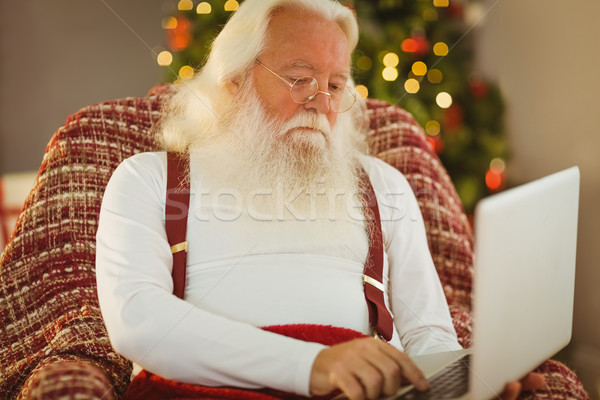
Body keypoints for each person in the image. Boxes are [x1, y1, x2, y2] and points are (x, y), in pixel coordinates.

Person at [96, 0, 544, 399]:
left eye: (335, 85)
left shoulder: (384, 185)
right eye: (299, 78)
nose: (320, 102)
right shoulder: (148, 179)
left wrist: (472, 382)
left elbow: (428, 334)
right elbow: (139, 320)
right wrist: (310, 366)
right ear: (233, 82)